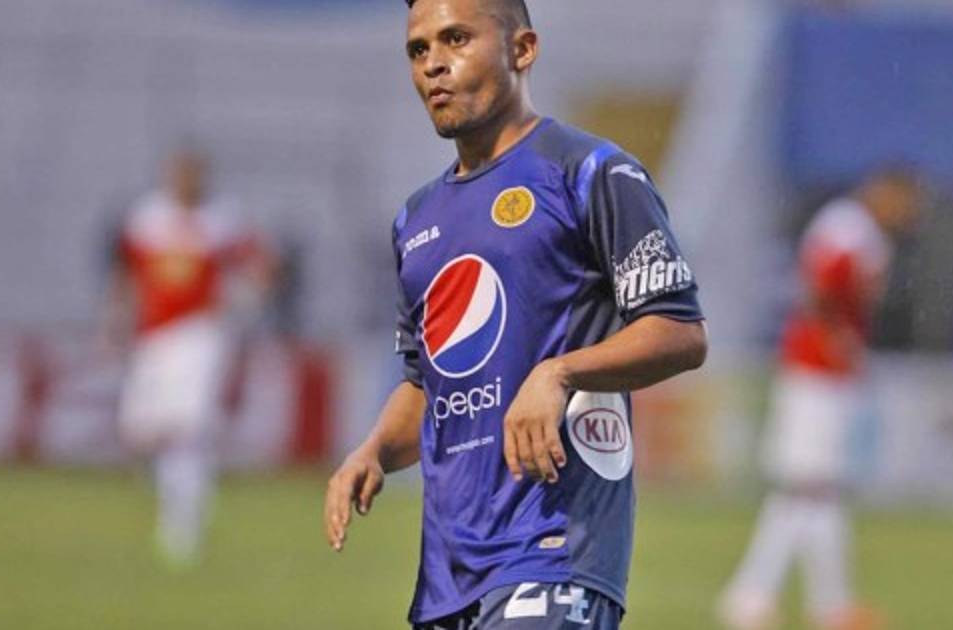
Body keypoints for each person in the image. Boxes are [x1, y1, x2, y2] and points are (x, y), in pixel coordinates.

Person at [322, 1, 708, 627]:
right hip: (448, 577)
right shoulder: (415, 220)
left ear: (522, 50)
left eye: (456, 39)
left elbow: (680, 331)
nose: (434, 64)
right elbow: (426, 386)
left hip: (555, 551)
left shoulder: (590, 173)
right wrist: (371, 451)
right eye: (419, 50)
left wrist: (559, 372)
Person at [718, 168, 922, 630]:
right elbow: (817, 291)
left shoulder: (851, 228)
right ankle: (803, 602)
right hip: (817, 370)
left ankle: (794, 600)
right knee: (812, 487)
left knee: (809, 489)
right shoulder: (852, 231)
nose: (909, 214)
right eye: (907, 202)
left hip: (821, 369)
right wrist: (836, 340)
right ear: (888, 193)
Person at [106, 149, 272, 567]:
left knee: (187, 428)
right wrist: (116, 320)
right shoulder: (147, 218)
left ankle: (183, 523)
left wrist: (242, 304)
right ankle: (180, 497)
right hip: (152, 337)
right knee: (141, 429)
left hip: (199, 335)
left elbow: (260, 266)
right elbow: (126, 274)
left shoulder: (221, 220)